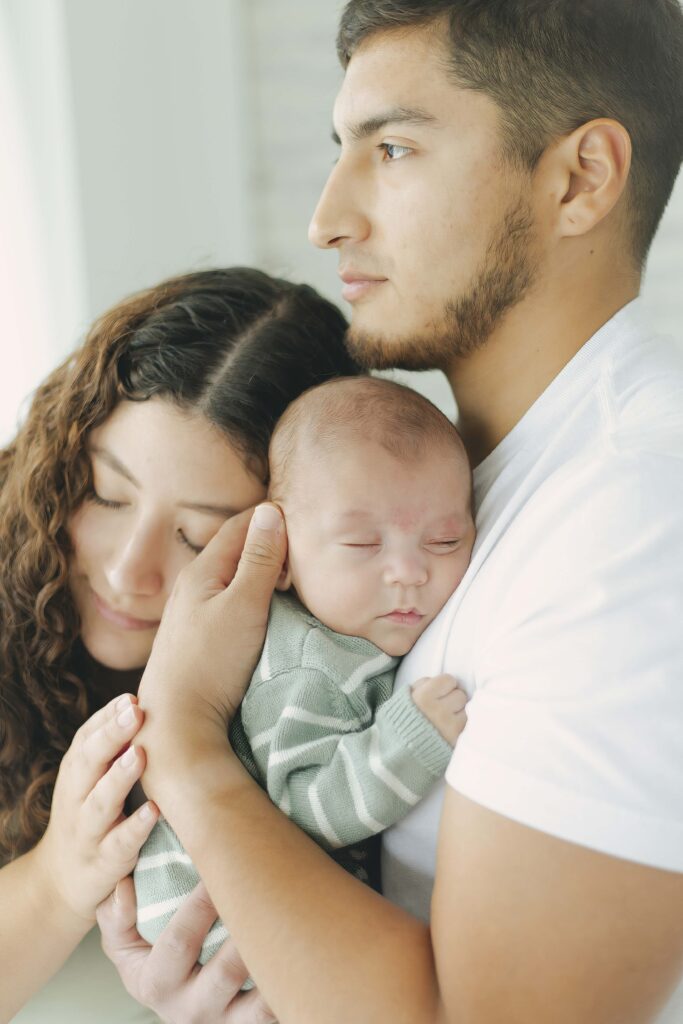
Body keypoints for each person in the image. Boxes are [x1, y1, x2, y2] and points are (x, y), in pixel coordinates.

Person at [97, 2, 683, 1023]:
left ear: (580, 177)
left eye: (394, 148)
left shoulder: (634, 520)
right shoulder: (459, 480)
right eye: (340, 150)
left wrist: (184, 745)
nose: (325, 218)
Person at [0, 266, 362, 1023]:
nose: (130, 571)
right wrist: (62, 874)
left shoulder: (316, 690)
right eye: (106, 493)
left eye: (196, 536)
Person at [133, 376, 474, 964]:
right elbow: (305, 809)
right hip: (211, 921)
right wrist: (407, 740)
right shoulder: (306, 665)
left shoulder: (349, 637)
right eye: (364, 544)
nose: (409, 571)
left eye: (444, 540)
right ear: (282, 556)